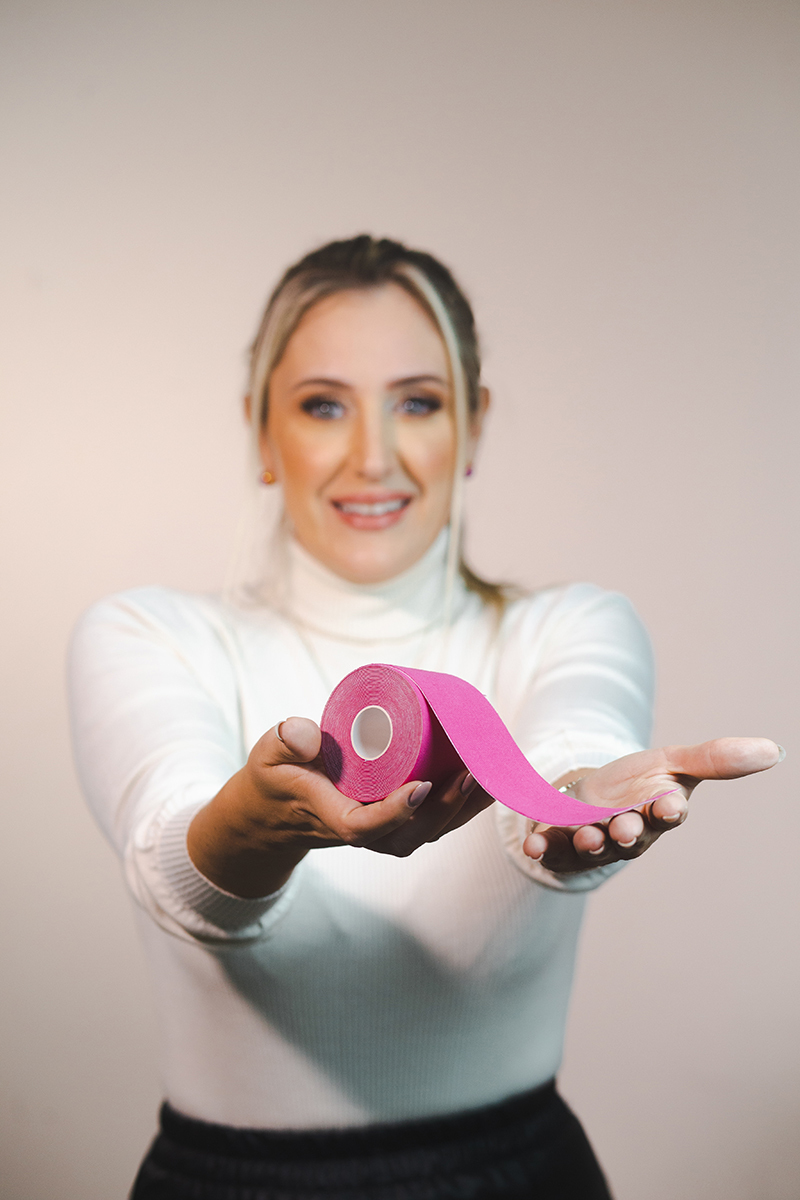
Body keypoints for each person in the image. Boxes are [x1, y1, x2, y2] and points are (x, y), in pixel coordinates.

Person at [68, 235, 782, 1200]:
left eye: (418, 402)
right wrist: (260, 824)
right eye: (324, 405)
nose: (374, 457)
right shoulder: (149, 634)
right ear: (261, 429)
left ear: (473, 427)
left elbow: (571, 747)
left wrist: (572, 805)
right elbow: (171, 848)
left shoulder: (570, 625)